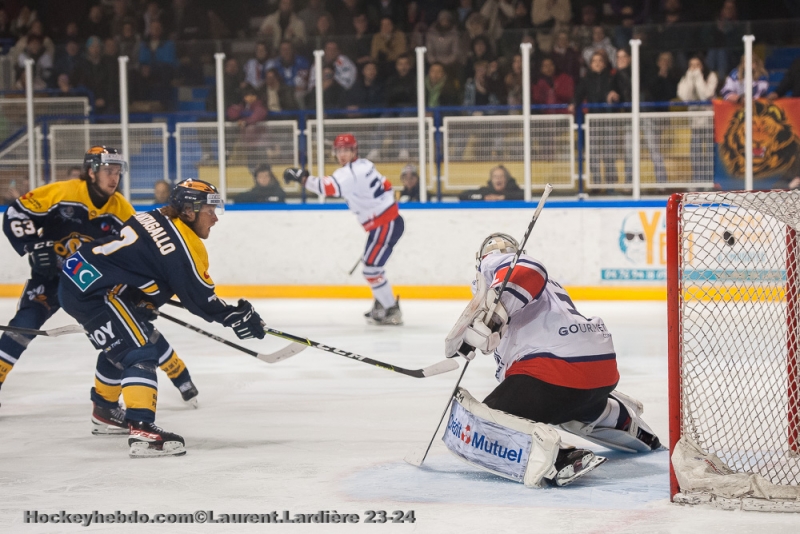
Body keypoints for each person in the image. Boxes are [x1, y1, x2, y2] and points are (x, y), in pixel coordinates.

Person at [58, 179, 266, 457]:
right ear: (190, 211)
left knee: (118, 346)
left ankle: (105, 411)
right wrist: (235, 315)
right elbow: (199, 300)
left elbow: (141, 261)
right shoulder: (184, 246)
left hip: (80, 277)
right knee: (139, 351)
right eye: (210, 211)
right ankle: (143, 431)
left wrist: (145, 297)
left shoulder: (157, 216)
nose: (216, 218)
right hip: (99, 293)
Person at [443, 233, 661, 486]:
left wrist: (495, 313)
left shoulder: (493, 264)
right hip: (599, 370)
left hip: (554, 368)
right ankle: (616, 417)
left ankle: (560, 457)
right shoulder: (546, 288)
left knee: (477, 428)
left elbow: (527, 269)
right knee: (564, 404)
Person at [0, 147, 197, 409]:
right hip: (51, 276)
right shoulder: (63, 192)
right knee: (24, 325)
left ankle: (178, 372)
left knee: (132, 327)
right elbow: (17, 213)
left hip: (91, 284)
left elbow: (142, 249)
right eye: (107, 171)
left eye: (117, 172)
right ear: (91, 172)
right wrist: (34, 246)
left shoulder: (121, 209)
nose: (113, 178)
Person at [284, 134, 404, 325]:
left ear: (354, 151)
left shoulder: (349, 173)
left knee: (371, 269)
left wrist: (303, 178)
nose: (342, 154)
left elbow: (327, 188)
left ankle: (391, 309)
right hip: (386, 221)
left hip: (385, 224)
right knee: (372, 267)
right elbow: (387, 186)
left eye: (346, 150)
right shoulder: (365, 164)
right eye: (339, 150)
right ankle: (382, 304)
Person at [678, 54, 718, 182]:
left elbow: (705, 95)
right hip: (695, 123)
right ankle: (697, 179)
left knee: (709, 153)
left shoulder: (711, 76)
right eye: (691, 66)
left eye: (697, 65)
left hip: (709, 121)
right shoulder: (686, 78)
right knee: (695, 153)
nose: (694, 69)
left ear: (702, 65)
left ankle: (710, 180)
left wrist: (699, 78)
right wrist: (690, 79)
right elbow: (685, 97)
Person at [458, 166, 524, 201]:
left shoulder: (514, 190)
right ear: (491, 179)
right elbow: (463, 196)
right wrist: (483, 197)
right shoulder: (486, 191)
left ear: (506, 179)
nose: (498, 179)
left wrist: (502, 197)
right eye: (495, 177)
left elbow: (524, 195)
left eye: (501, 176)